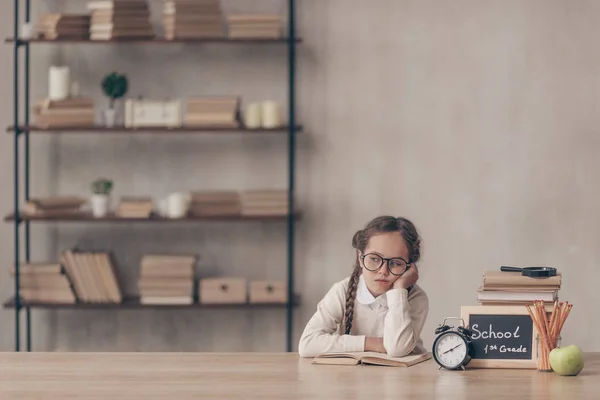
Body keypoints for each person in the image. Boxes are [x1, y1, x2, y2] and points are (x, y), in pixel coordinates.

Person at [298, 215, 429, 358]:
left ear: (410, 267)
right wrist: (371, 343)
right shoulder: (342, 291)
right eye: (374, 259)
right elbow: (307, 344)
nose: (383, 271)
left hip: (405, 377)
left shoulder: (415, 297)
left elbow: (397, 350)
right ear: (361, 258)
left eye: (396, 263)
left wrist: (399, 291)